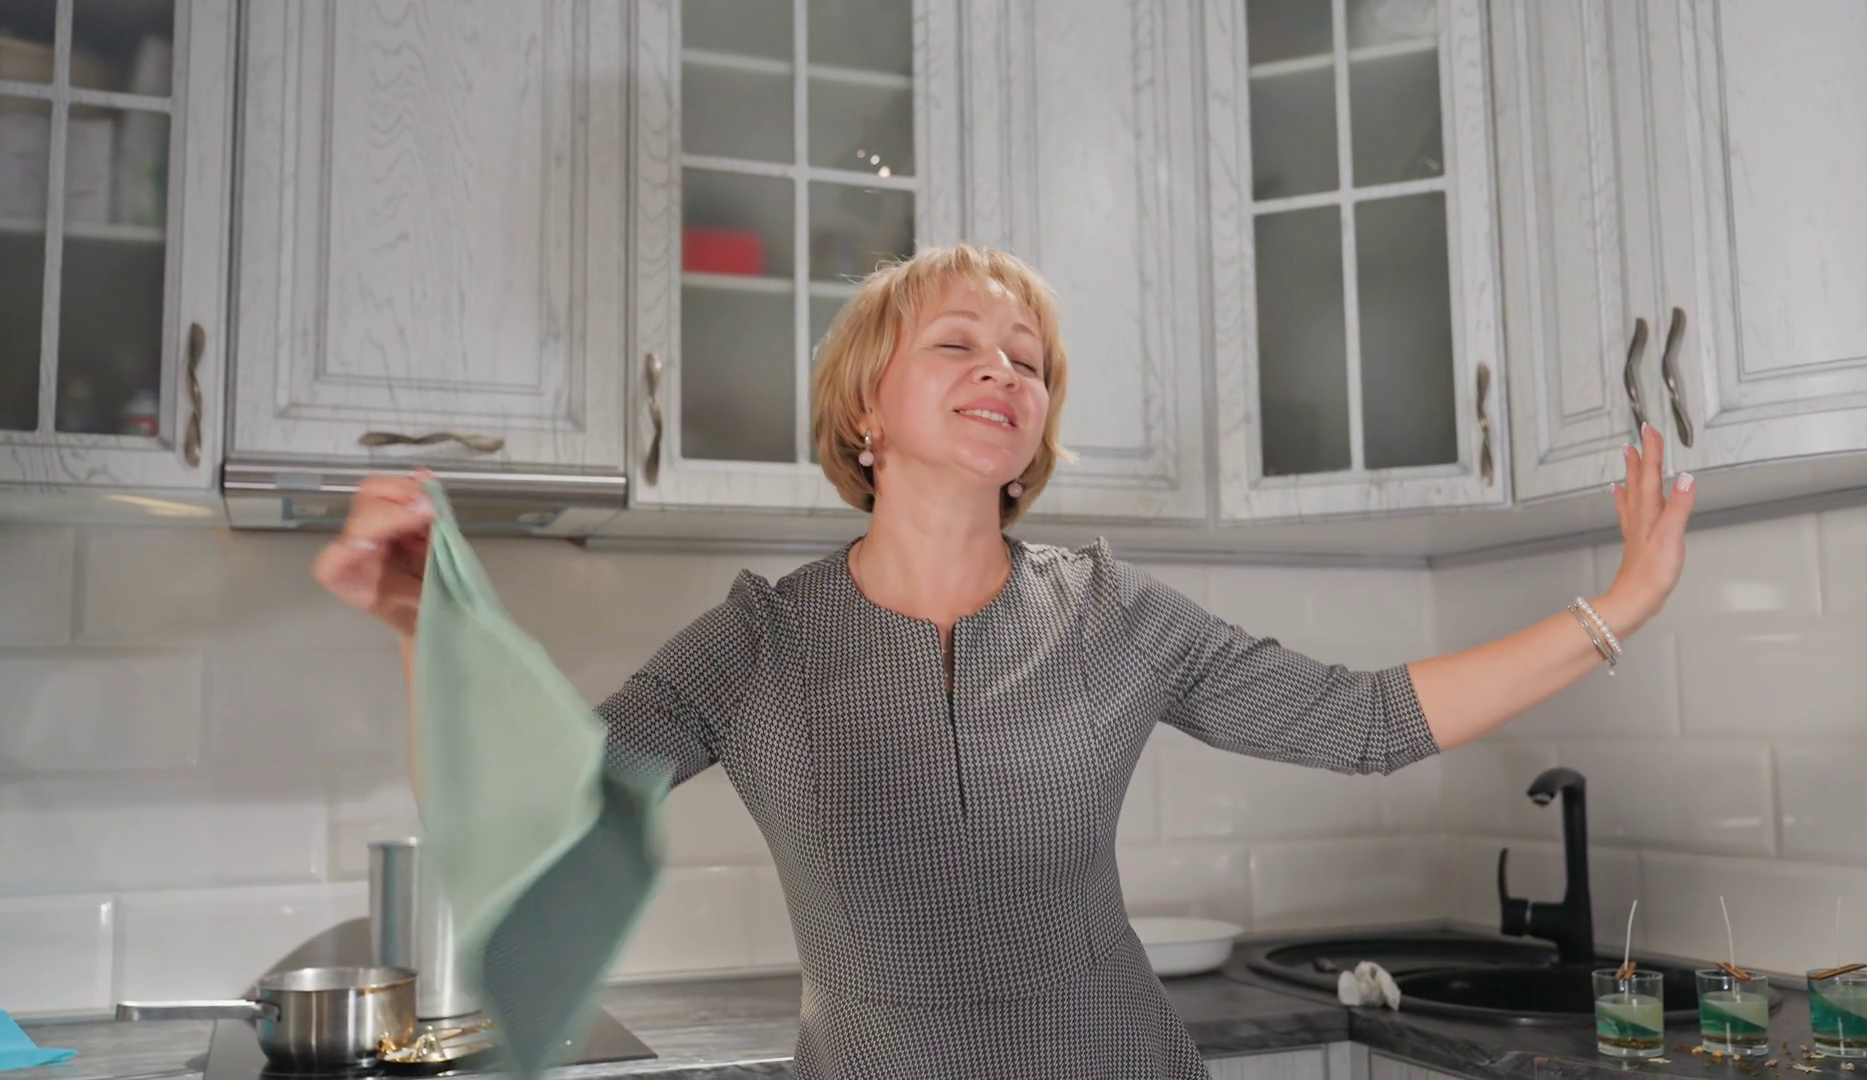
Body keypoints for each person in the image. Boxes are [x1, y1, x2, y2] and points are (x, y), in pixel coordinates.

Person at [313, 244, 1694, 1079]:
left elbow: (1366, 721)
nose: (1006, 372)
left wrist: (1622, 603)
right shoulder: (761, 639)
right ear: (865, 408)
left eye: (1027, 361)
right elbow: (550, 809)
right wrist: (423, 624)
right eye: (959, 346)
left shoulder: (1113, 613)